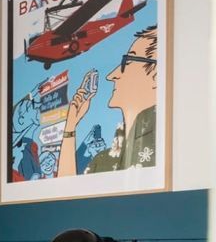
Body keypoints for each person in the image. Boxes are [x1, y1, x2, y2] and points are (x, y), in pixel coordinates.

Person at [59, 26, 158, 175]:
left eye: (128, 62)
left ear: (156, 75)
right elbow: (65, 190)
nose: (111, 75)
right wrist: (71, 126)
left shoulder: (162, 147)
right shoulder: (103, 159)